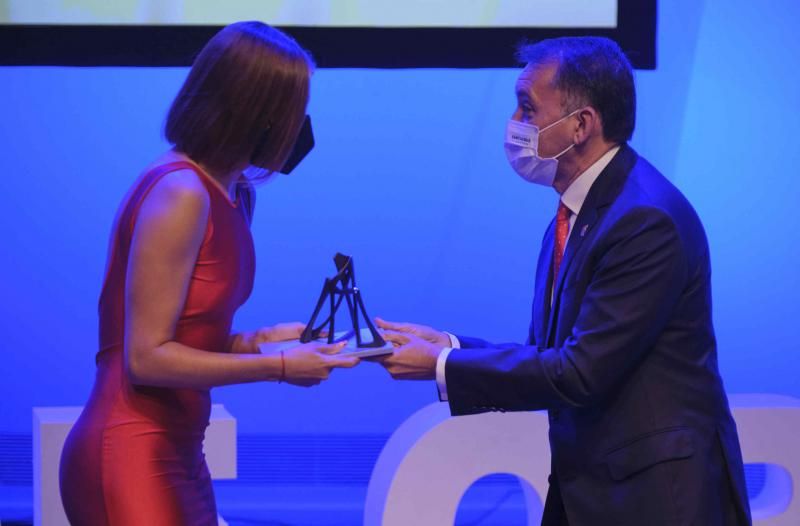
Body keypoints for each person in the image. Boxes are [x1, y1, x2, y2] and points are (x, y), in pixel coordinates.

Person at [376, 36, 752, 525]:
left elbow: (578, 372)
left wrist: (442, 366)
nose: (514, 125)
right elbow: (551, 351)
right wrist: (447, 344)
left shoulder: (644, 220)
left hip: (655, 499)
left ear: (581, 124)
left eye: (527, 109)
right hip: (595, 490)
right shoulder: (583, 209)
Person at [59, 21, 358, 525]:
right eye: (291, 111)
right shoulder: (181, 194)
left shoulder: (237, 195)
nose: (298, 127)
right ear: (257, 115)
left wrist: (266, 340)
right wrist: (279, 366)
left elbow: (191, 338)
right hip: (129, 451)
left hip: (178, 453)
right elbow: (146, 359)